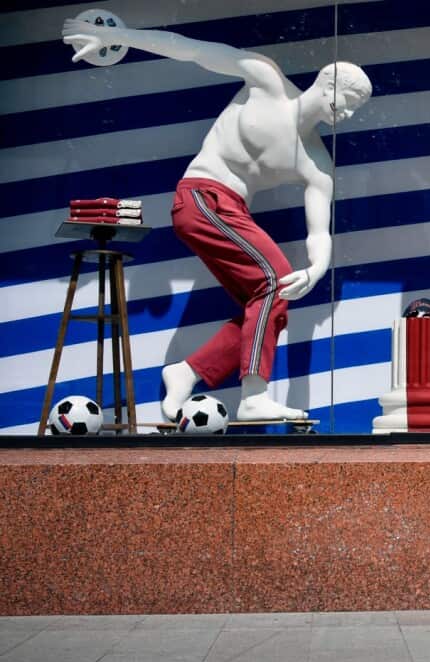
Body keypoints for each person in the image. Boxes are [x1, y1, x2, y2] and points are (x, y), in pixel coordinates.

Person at [62, 18, 373, 421]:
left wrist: (318, 267)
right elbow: (188, 48)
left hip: (228, 212)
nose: (347, 114)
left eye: (355, 110)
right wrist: (118, 36)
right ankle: (253, 396)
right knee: (273, 282)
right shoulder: (266, 80)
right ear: (327, 81)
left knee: (268, 305)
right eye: (347, 100)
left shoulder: (317, 163)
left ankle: (188, 371)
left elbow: (319, 230)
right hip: (201, 196)